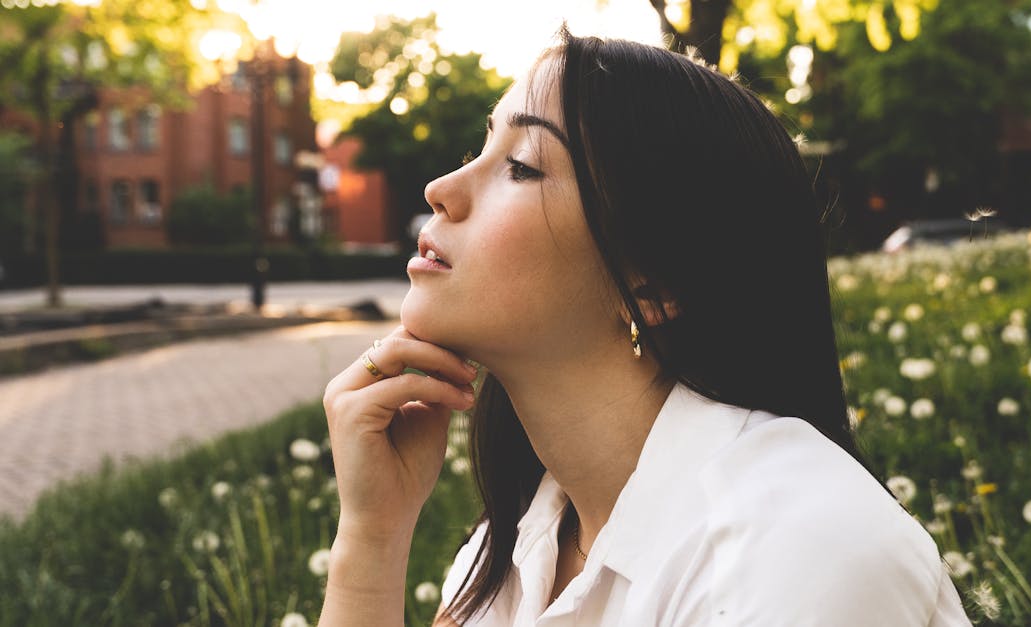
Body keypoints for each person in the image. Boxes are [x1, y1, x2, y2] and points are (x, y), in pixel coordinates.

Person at [318, 27, 971, 626]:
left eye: (522, 165)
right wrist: (372, 541)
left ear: (651, 283)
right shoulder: (514, 550)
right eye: (481, 147)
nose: (440, 188)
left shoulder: (793, 544)